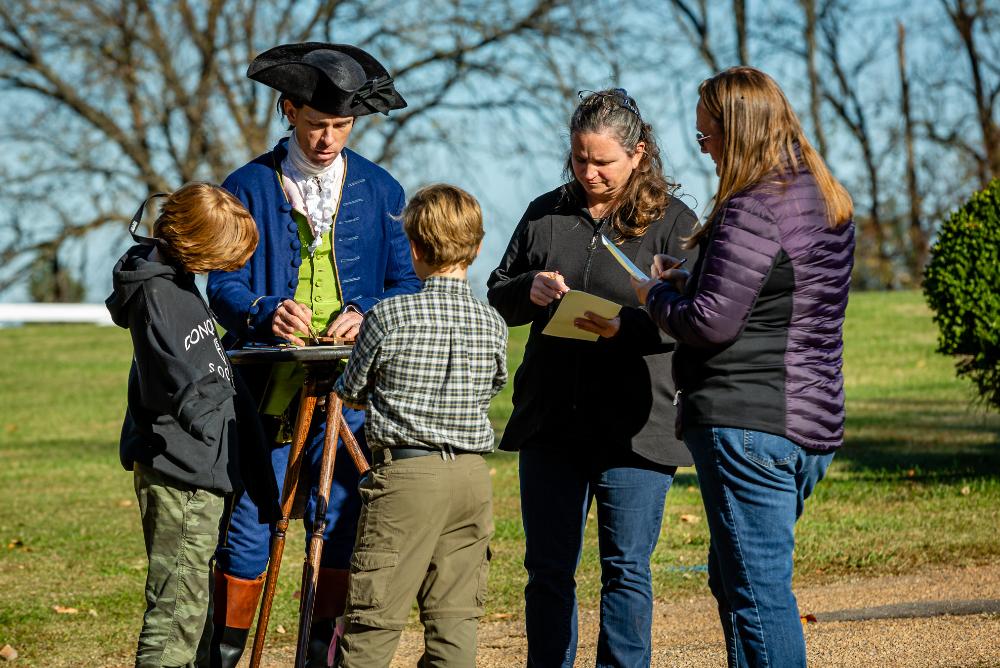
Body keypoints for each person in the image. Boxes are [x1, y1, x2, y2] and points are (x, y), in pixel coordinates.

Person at [206, 42, 420, 667]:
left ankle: (318, 655)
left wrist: (369, 313)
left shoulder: (382, 188)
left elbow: (405, 282)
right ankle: (225, 652)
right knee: (253, 513)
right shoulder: (246, 185)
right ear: (289, 111)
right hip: (270, 379)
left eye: (342, 126)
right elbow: (224, 283)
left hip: (355, 382)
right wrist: (265, 307)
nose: (328, 139)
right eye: (317, 124)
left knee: (344, 513)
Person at [637, 66, 855, 668]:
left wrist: (653, 297)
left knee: (757, 598)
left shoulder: (754, 205)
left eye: (707, 136)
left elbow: (711, 323)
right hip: (810, 420)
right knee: (738, 582)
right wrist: (696, 278)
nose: (703, 149)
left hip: (746, 419)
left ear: (738, 132)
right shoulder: (822, 195)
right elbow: (780, 297)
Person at [487, 88, 698, 667]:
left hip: (637, 426)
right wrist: (524, 291)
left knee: (626, 568)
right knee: (547, 569)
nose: (589, 173)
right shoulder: (545, 211)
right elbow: (496, 294)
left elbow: (694, 321)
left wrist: (623, 327)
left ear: (639, 153)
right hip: (552, 420)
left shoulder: (675, 224)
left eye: (603, 161)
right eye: (580, 159)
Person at [331, 184, 508, 667]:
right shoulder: (491, 321)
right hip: (471, 478)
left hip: (406, 478)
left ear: (413, 249)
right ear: (475, 246)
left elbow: (351, 389)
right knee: (456, 622)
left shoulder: (388, 315)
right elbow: (494, 383)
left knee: (374, 619)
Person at [106, 183, 259, 668]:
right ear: (194, 244)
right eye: (220, 257)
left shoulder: (175, 285)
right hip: (182, 472)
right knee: (175, 615)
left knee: (193, 608)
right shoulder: (158, 293)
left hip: (196, 467)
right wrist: (211, 418)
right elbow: (178, 379)